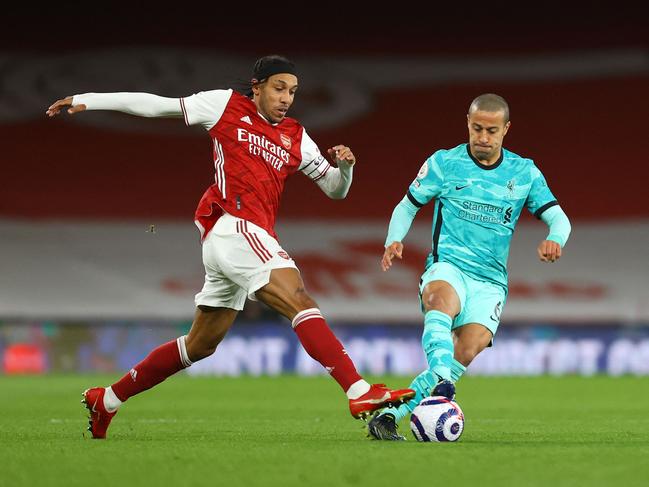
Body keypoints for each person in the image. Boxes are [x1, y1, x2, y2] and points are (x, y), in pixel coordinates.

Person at [46, 54, 414, 439]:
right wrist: (89, 98)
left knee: (200, 345)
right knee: (299, 298)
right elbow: (158, 106)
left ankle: (107, 399)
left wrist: (346, 168)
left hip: (236, 239)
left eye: (292, 91)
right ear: (256, 87)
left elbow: (335, 191)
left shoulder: (296, 135)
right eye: (278, 88)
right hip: (233, 226)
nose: (286, 98)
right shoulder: (225, 105)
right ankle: (358, 390)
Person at [367, 93, 571, 440]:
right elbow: (406, 206)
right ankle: (444, 383)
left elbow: (560, 220)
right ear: (467, 123)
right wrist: (393, 239)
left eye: (492, 130)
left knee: (468, 347)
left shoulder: (524, 172)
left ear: (506, 129)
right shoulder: (444, 164)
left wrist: (555, 239)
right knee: (440, 302)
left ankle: (389, 415)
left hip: (490, 281)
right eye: (477, 128)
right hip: (448, 265)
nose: (483, 137)